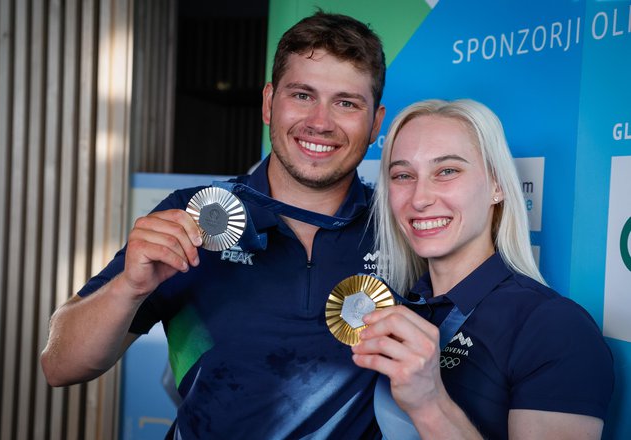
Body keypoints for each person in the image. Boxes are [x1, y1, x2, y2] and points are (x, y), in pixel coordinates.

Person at [40, 11, 386, 439]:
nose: (320, 121)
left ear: (376, 123)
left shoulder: (400, 231)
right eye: (302, 95)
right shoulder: (189, 214)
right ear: (267, 102)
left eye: (346, 103)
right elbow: (59, 366)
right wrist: (129, 287)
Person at [352, 99, 614, 439]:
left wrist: (429, 403)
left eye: (447, 171)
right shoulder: (404, 306)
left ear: (497, 185)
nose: (419, 198)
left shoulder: (556, 327)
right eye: (403, 175)